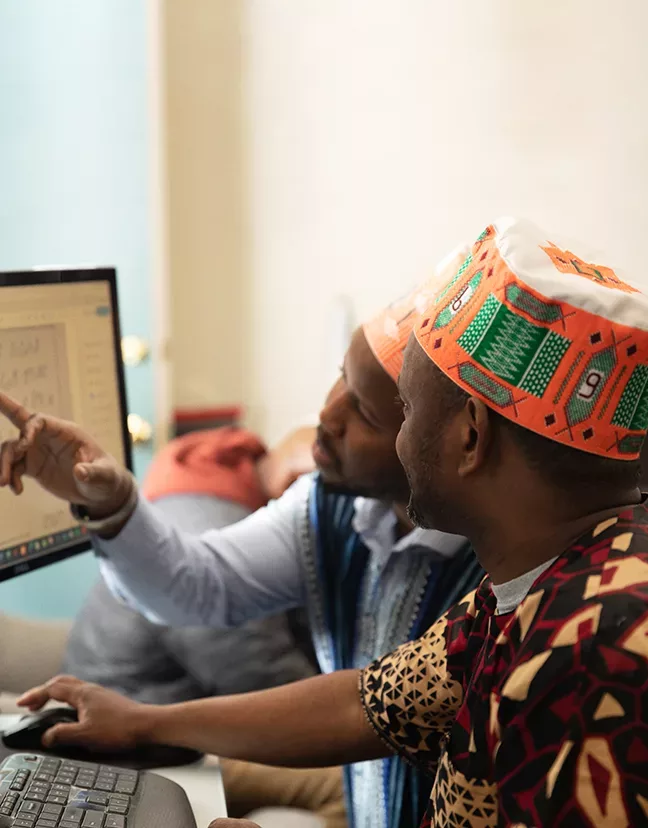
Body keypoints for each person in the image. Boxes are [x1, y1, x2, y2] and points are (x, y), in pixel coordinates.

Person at [10, 217, 648, 828]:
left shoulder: (606, 656)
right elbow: (369, 702)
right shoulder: (557, 574)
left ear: (470, 437)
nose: (327, 422)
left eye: (407, 411)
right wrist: (146, 721)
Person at [0, 247, 485, 828]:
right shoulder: (333, 507)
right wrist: (109, 503)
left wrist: (147, 721)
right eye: (339, 380)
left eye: (366, 414)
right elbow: (196, 587)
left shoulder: (497, 579)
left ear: (457, 442)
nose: (326, 416)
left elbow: (358, 710)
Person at [64, 424, 319, 705]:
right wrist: (338, 717)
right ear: (296, 481)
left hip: (140, 689)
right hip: (122, 707)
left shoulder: (216, 475)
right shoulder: (215, 522)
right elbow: (249, 667)